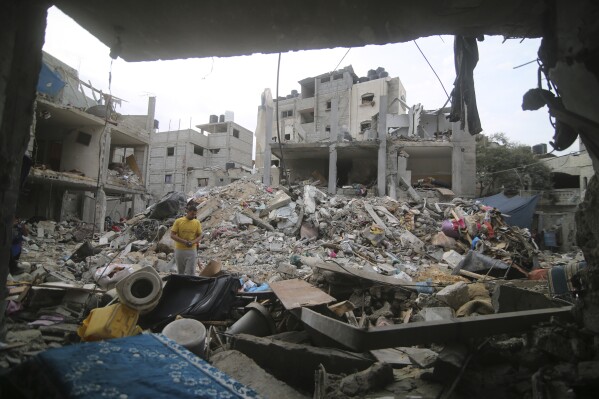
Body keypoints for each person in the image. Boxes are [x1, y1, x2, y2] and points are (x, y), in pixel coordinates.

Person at [170, 203, 202, 276]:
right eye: (192, 214)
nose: (193, 216)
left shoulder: (197, 222)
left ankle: (190, 286)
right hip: (180, 250)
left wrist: (193, 242)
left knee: (191, 272)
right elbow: (172, 235)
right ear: (187, 212)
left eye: (195, 214)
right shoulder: (178, 221)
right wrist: (184, 242)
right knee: (181, 272)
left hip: (192, 250)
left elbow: (200, 236)